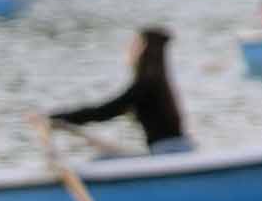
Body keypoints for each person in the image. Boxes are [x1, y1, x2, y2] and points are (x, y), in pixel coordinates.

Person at [50, 27, 188, 153]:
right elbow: (109, 111)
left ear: (144, 49)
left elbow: (106, 111)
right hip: (173, 149)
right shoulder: (154, 82)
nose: (128, 50)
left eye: (134, 45)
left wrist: (55, 117)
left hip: (169, 153)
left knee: (103, 162)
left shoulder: (147, 85)